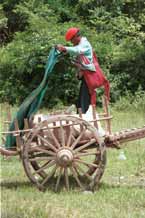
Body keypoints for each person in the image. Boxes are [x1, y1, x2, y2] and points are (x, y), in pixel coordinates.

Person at [56, 27, 110, 113]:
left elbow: (77, 50)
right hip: (86, 76)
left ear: (76, 37)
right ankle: (81, 114)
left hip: (90, 76)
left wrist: (64, 48)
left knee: (84, 100)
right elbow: (76, 54)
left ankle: (84, 119)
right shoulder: (79, 45)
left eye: (71, 40)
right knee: (81, 99)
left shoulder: (84, 44)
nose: (71, 43)